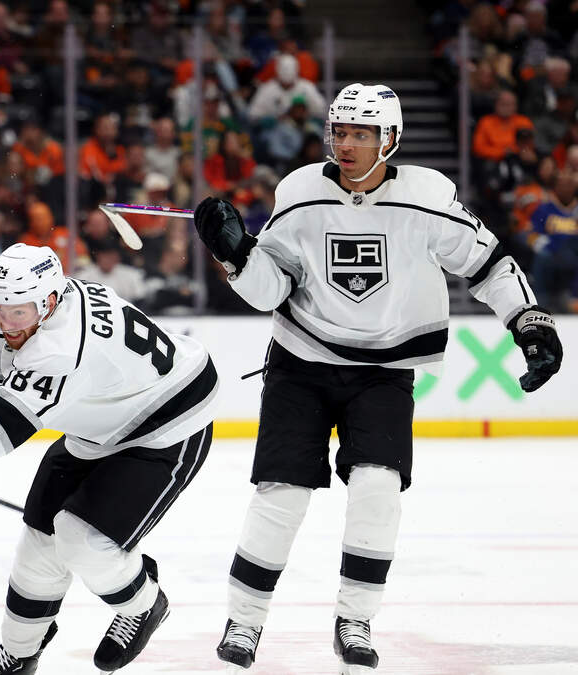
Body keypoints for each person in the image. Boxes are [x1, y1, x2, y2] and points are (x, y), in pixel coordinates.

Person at [193, 83, 564, 673]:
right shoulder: (298, 192)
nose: (345, 144)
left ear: (389, 139)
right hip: (302, 363)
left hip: (384, 373)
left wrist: (529, 320)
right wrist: (235, 254)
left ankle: (356, 619)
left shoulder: (428, 196)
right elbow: (271, 289)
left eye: (359, 134)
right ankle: (244, 621)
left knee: (377, 491)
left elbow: (488, 262)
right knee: (280, 496)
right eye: (339, 131)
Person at [0, 243, 220, 675]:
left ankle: (145, 604)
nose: (7, 322)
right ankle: (18, 654)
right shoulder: (19, 303)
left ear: (49, 302)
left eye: (19, 313)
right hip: (102, 420)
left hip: (168, 422)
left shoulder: (60, 348)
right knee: (39, 541)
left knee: (83, 541)